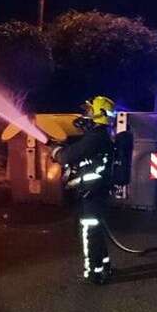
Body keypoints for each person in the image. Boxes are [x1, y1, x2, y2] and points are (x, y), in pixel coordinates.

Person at [51, 96, 116, 285]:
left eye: (89, 111)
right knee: (97, 231)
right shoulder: (100, 136)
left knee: (90, 233)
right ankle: (104, 266)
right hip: (97, 192)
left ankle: (93, 272)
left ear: (99, 114)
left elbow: (68, 156)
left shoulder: (95, 138)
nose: (85, 114)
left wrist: (55, 151)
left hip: (92, 193)